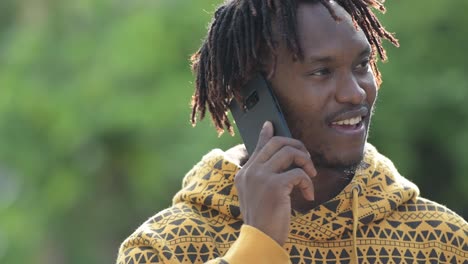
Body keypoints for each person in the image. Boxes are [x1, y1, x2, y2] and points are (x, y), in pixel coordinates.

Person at [117, 0, 468, 263]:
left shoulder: (442, 242)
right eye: (321, 72)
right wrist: (257, 246)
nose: (356, 93)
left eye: (361, 66)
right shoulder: (162, 248)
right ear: (249, 94)